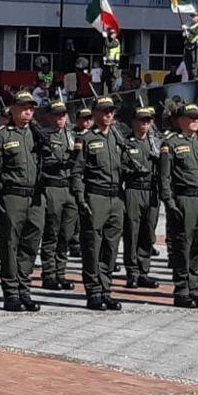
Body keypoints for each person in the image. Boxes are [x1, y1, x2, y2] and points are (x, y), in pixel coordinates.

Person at [0, 91, 44, 312]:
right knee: (10, 245)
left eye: (31, 108)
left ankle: (24, 290)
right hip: (12, 196)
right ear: (12, 110)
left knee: (30, 245)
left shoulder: (38, 134)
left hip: (35, 197)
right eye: (23, 107)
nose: (28, 111)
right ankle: (11, 293)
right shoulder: (3, 136)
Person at [73, 96, 126, 311]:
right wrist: (80, 198)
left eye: (111, 111)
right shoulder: (86, 139)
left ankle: (106, 289)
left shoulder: (118, 138)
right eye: (104, 111)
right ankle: (93, 292)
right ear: (95, 114)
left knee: (111, 248)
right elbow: (76, 173)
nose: (109, 114)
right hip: (96, 197)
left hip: (116, 198)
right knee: (92, 247)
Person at [160, 103, 198, 308]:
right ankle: (181, 291)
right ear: (180, 120)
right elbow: (164, 177)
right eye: (191, 117)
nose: (195, 121)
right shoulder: (171, 143)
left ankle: (194, 288)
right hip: (184, 199)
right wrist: (169, 202)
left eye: (197, 118)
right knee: (183, 246)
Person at [35, 100, 78, 291]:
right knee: (51, 233)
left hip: (70, 188)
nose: (61, 118)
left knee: (66, 235)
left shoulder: (73, 135)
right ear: (49, 117)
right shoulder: (43, 135)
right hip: (52, 187)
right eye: (57, 115)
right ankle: (49, 274)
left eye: (63, 115)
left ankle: (61, 273)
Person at [122, 105, 161, 289]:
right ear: (134, 122)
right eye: (142, 121)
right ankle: (132, 272)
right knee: (132, 232)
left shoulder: (156, 143)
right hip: (133, 190)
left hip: (152, 191)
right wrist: (131, 171)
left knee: (148, 231)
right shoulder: (126, 143)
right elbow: (120, 167)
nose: (145, 124)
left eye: (148, 121)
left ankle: (144, 271)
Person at [183, 13, 198, 79]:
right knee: (187, 63)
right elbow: (188, 37)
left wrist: (187, 29)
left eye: (194, 16)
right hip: (188, 47)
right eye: (192, 16)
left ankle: (195, 76)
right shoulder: (190, 25)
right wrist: (185, 33)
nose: (192, 18)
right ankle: (190, 76)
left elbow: (195, 32)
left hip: (195, 47)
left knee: (194, 63)